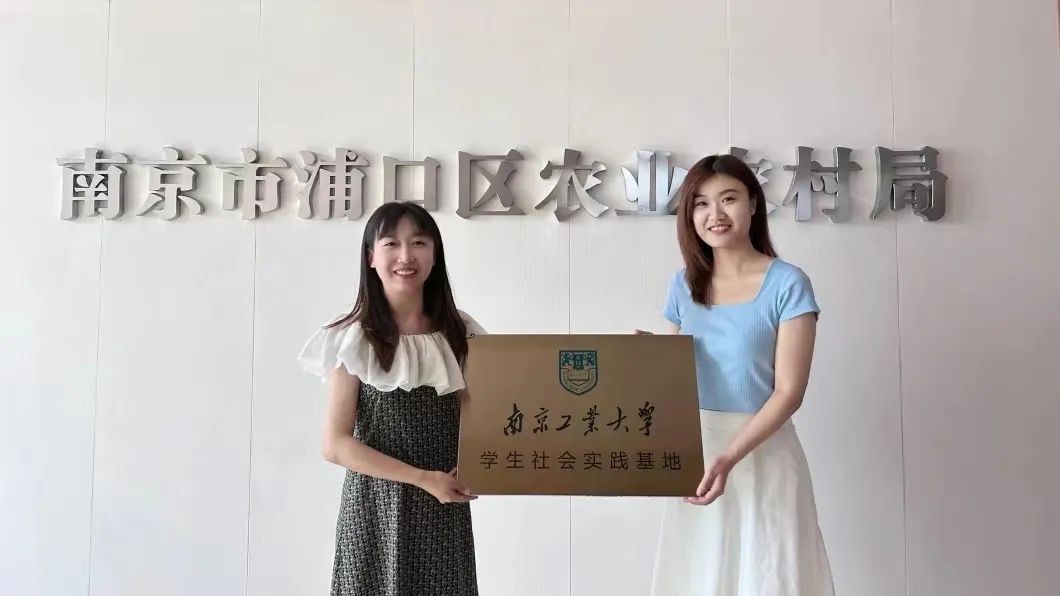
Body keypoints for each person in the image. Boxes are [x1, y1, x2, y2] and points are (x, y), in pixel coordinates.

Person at [644, 154, 834, 595]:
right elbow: (673, 378)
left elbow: (789, 392)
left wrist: (730, 457)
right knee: (700, 577)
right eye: (701, 203)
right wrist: (646, 355)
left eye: (728, 199)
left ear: (753, 204)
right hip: (698, 457)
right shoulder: (683, 285)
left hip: (763, 454)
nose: (715, 214)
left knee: (769, 577)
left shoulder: (788, 283)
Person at [297, 201, 485, 596]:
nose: (405, 256)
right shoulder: (353, 335)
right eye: (391, 244)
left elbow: (494, 411)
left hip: (443, 508)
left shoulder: (461, 331)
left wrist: (480, 466)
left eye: (418, 243)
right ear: (370, 257)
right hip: (374, 511)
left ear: (435, 255)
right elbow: (335, 444)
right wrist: (422, 479)